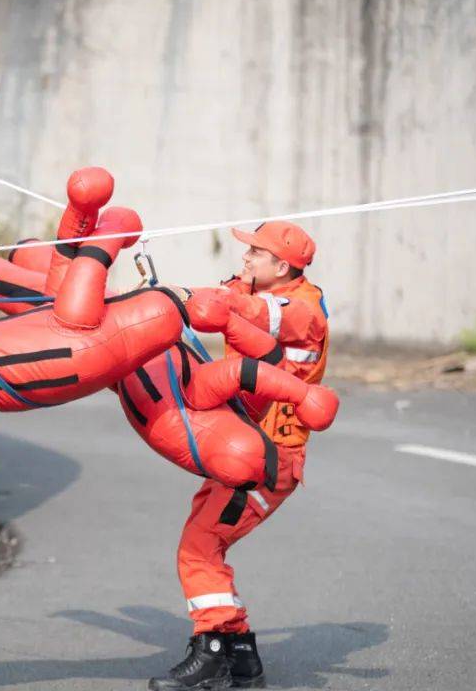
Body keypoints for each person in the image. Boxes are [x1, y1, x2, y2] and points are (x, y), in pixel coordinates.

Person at [150, 220, 329, 690]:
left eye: (255, 253)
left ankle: (211, 649)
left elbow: (254, 311)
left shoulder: (303, 312)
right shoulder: (267, 291)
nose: (245, 258)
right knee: (204, 538)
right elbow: (234, 300)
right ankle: (242, 655)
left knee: (200, 546)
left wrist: (203, 298)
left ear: (282, 266)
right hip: (242, 451)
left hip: (268, 464)